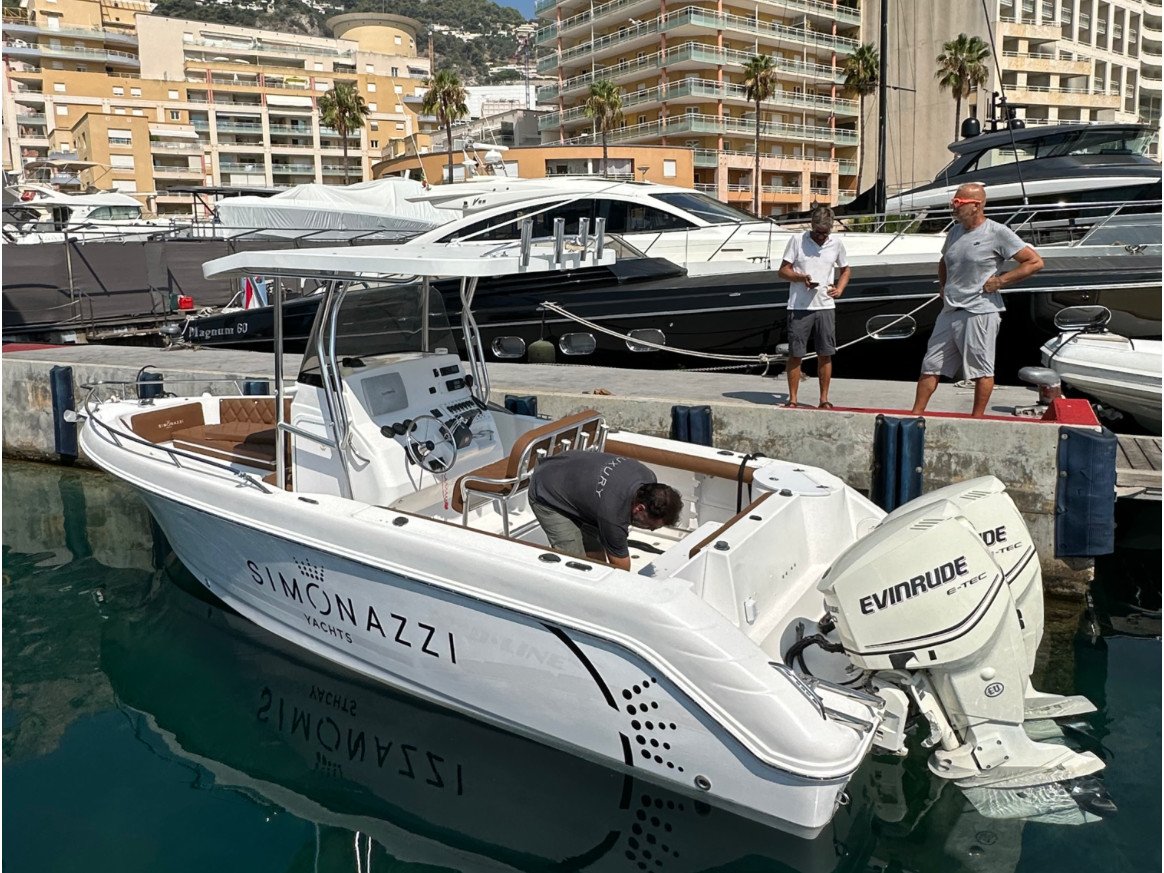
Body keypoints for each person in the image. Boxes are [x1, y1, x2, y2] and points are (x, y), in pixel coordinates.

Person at [910, 183, 1044, 418]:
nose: (954, 205)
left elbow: (1034, 262)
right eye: (954, 200)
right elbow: (944, 261)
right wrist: (943, 285)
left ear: (977, 205)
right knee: (930, 365)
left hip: (980, 310)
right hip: (951, 309)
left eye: (959, 202)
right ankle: (915, 414)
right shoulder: (955, 231)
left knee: (981, 369)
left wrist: (1001, 281)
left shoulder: (997, 232)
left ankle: (977, 418)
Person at [528, 450, 683, 571]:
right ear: (639, 508)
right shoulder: (613, 516)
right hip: (546, 489)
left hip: (568, 467)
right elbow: (620, 570)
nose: (651, 530)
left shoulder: (647, 476)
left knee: (594, 545)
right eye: (651, 526)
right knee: (573, 562)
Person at [777, 205, 851, 409]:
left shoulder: (836, 244)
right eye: (818, 232)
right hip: (799, 306)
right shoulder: (797, 241)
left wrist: (840, 289)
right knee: (796, 353)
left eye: (824, 233)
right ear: (812, 226)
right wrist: (801, 278)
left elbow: (845, 270)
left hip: (825, 305)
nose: (820, 237)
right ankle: (792, 399)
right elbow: (783, 271)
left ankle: (824, 399)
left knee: (825, 353)